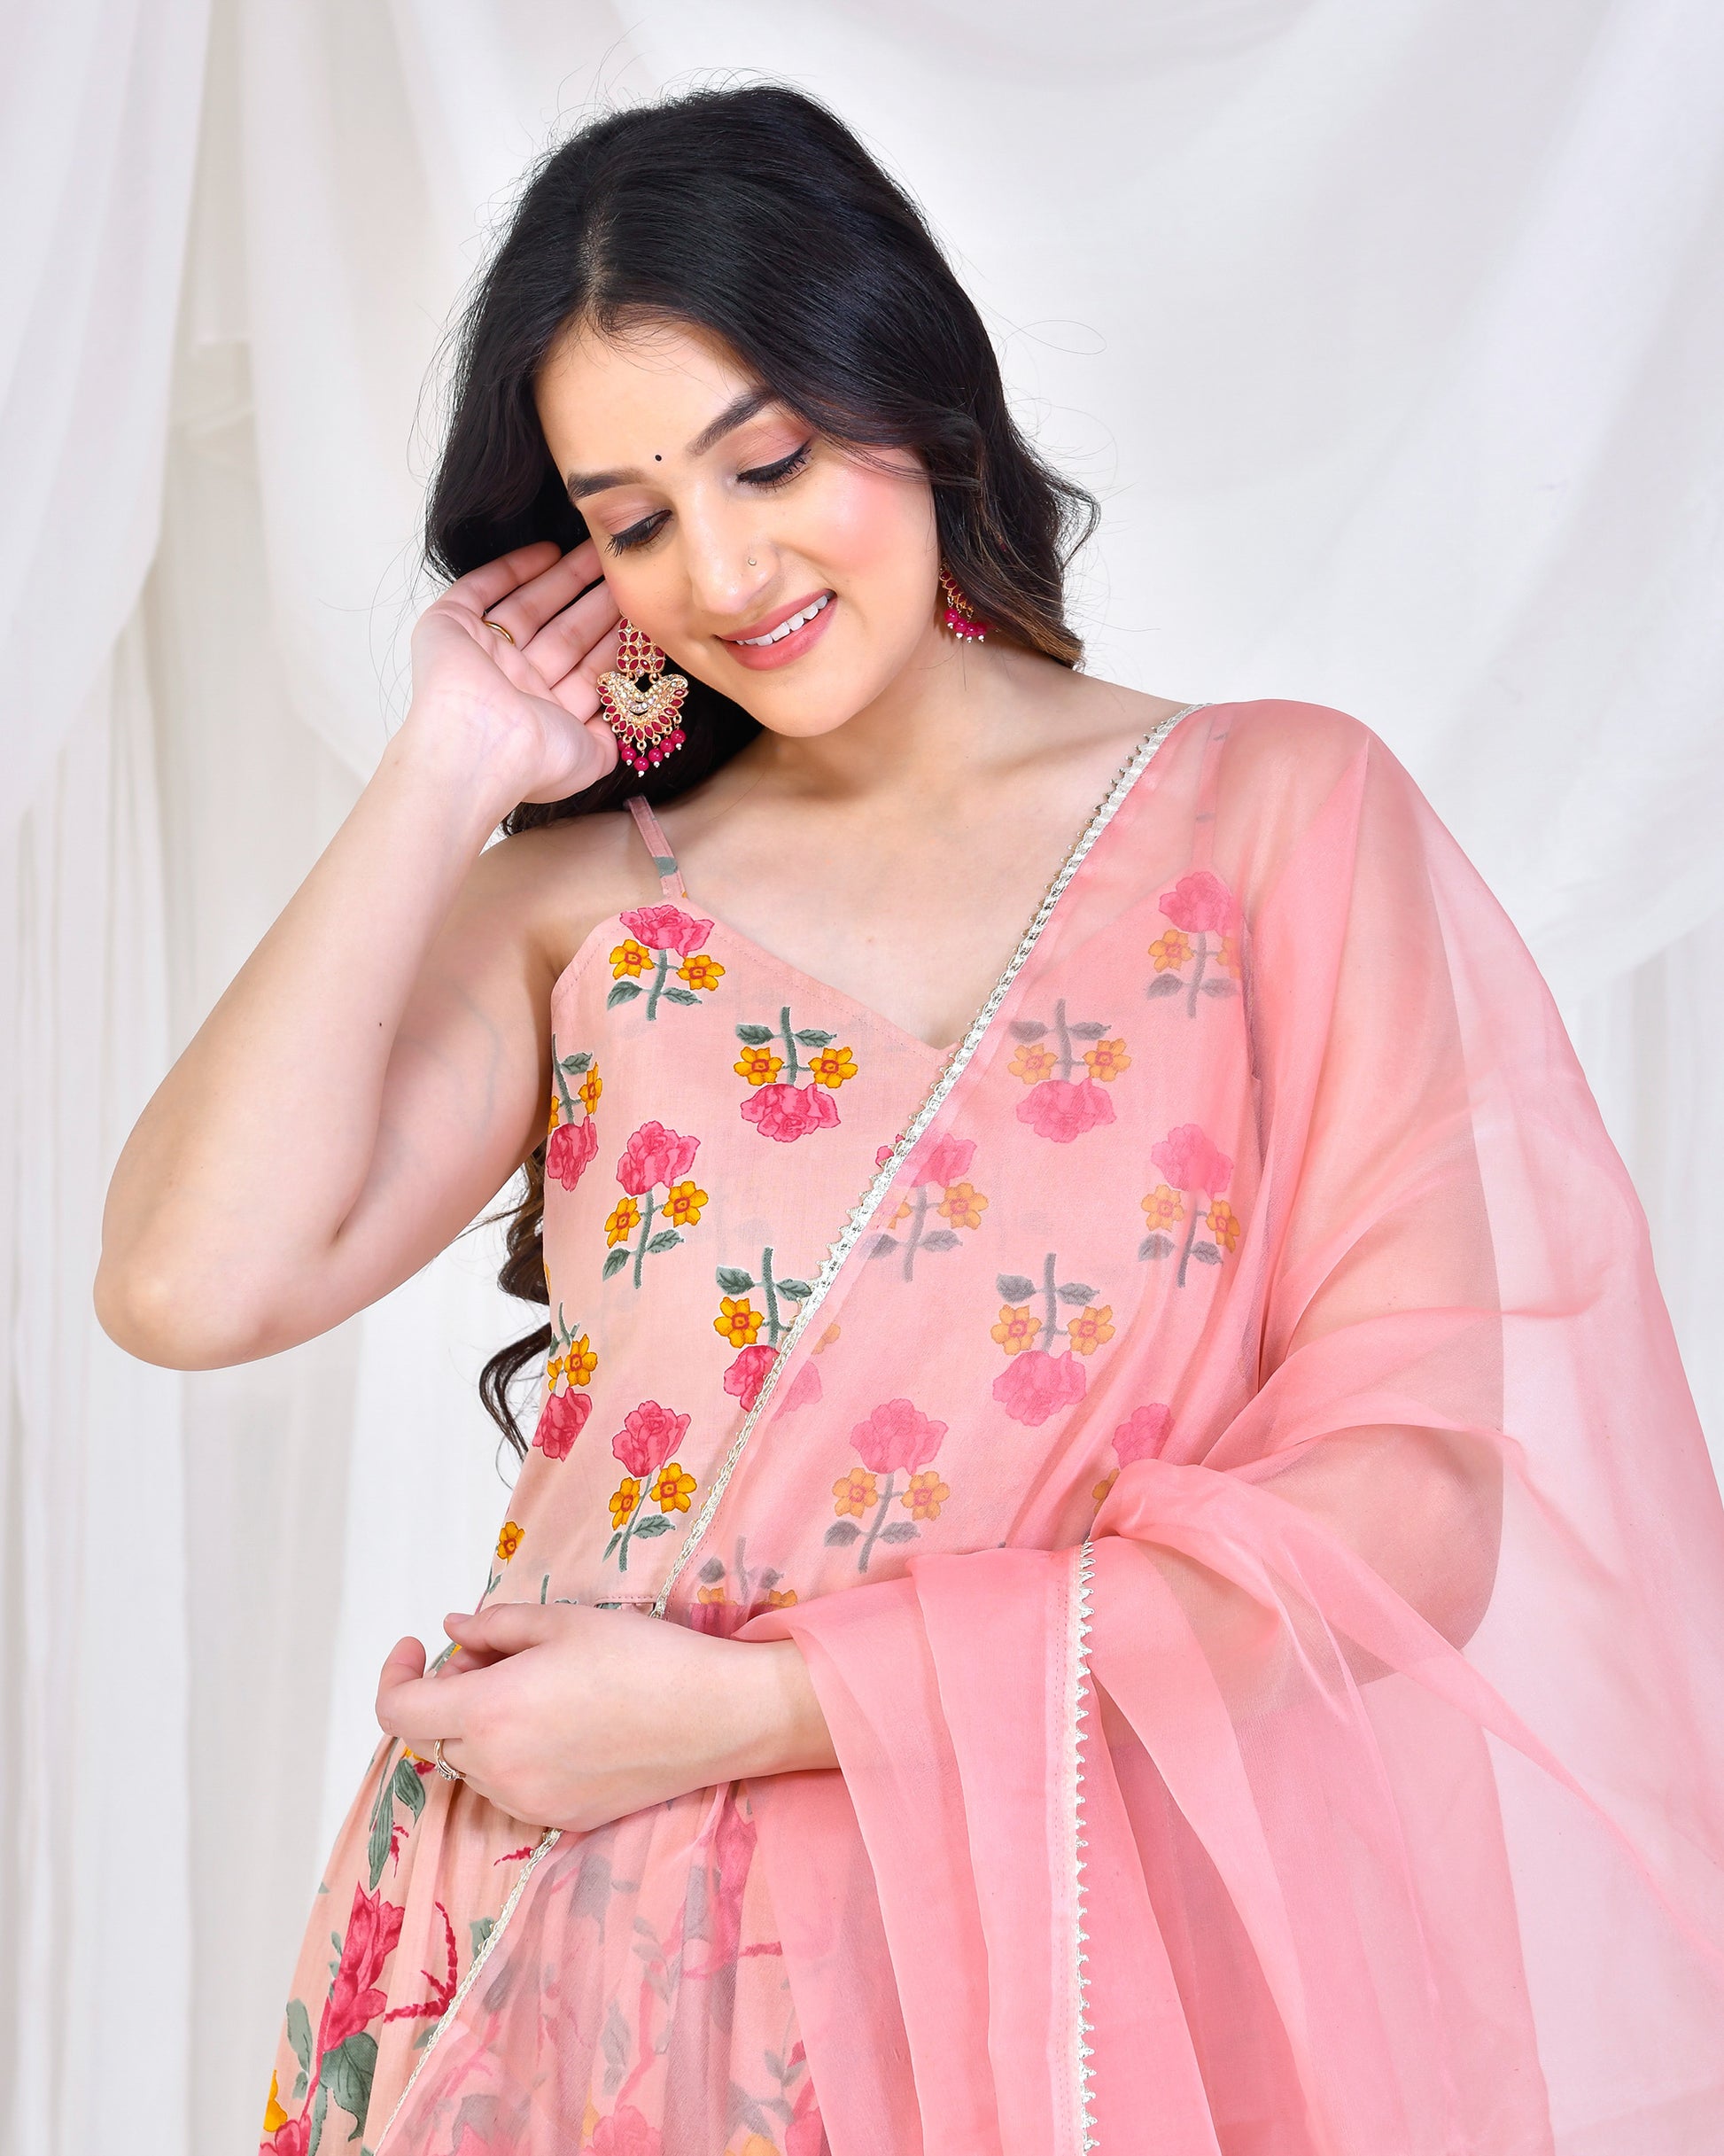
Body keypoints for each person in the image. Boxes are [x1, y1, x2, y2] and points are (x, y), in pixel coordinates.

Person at [96, 82, 1724, 2156]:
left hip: (1070, 1962)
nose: (723, 566)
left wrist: (757, 1710)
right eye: (630, 521)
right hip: (580, 1960)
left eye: (769, 457)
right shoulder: (579, 908)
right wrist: (447, 763)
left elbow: (1409, 1512)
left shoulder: (1274, 818)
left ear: (912, 386)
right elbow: (185, 1282)